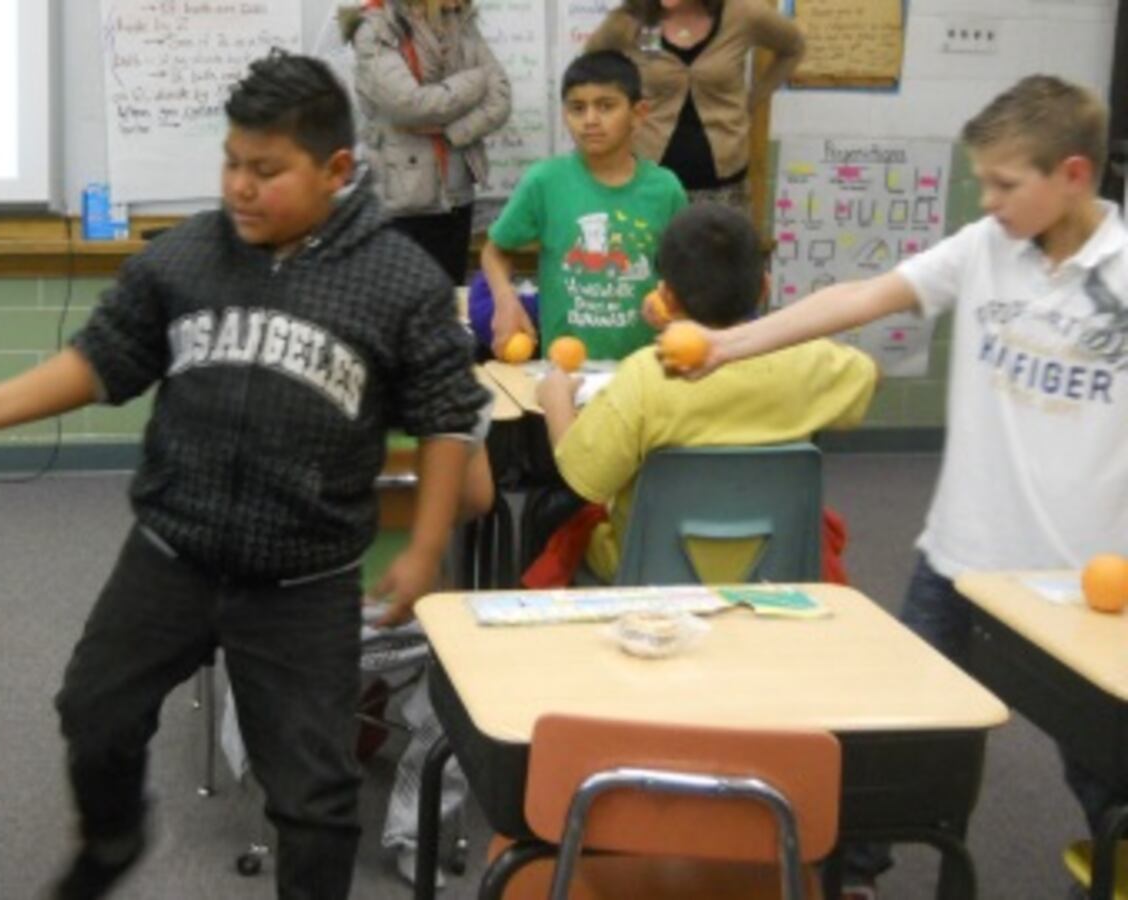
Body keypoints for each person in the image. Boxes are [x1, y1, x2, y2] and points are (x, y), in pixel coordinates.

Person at [0, 51, 491, 900]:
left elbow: (446, 419)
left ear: (335, 170)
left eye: (266, 170)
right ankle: (114, 839)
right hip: (172, 552)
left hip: (305, 579)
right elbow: (104, 358)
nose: (240, 187)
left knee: (316, 802)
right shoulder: (186, 256)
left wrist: (426, 544)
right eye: (230, 163)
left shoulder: (398, 281)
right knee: (93, 712)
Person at [674, 74, 1128, 896]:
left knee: (1106, 772)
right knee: (888, 741)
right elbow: (860, 297)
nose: (986, 201)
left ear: (1073, 175)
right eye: (981, 180)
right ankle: (852, 878)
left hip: (1081, 587)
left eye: (1003, 183)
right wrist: (728, 345)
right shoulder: (988, 249)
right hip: (961, 559)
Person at [535, 203, 875, 584]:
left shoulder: (648, 373)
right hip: (775, 568)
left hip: (647, 569)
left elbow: (583, 475)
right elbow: (868, 376)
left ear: (665, 295)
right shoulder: (811, 362)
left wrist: (557, 400)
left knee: (554, 515)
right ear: (765, 286)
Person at [480, 50, 687, 363]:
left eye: (606, 106)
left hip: (643, 373)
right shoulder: (544, 182)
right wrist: (506, 300)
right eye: (577, 108)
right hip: (565, 374)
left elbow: (685, 273)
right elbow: (494, 251)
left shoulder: (666, 189)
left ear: (638, 113)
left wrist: (677, 309)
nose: (590, 120)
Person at [341, 0, 512, 285]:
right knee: (404, 305)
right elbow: (410, 105)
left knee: (450, 300)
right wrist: (477, 80)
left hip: (457, 195)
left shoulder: (461, 21)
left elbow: (501, 99)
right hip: (404, 201)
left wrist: (452, 132)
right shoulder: (377, 28)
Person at [585, 0, 804, 211]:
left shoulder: (743, 13)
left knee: (722, 248)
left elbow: (793, 47)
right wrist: (618, 114)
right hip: (649, 185)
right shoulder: (630, 19)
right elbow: (589, 66)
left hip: (723, 188)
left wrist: (753, 100)